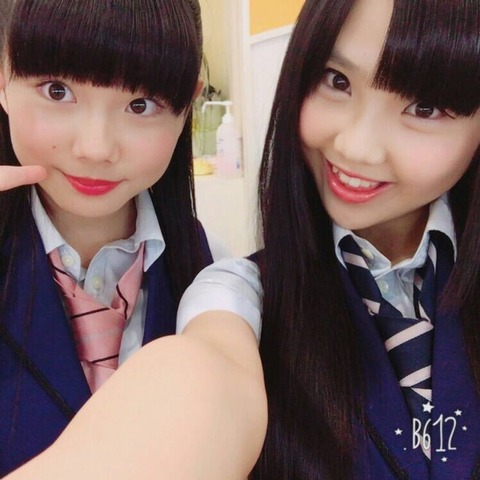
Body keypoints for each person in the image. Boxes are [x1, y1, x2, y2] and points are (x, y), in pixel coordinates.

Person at [178, 0, 480, 477]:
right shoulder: (240, 293)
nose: (355, 146)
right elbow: (197, 381)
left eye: (423, 107)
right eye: (337, 81)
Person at [0, 0, 266, 478]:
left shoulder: (215, 282)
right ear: (3, 79)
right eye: (58, 91)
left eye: (140, 105)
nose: (96, 148)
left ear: (187, 104)